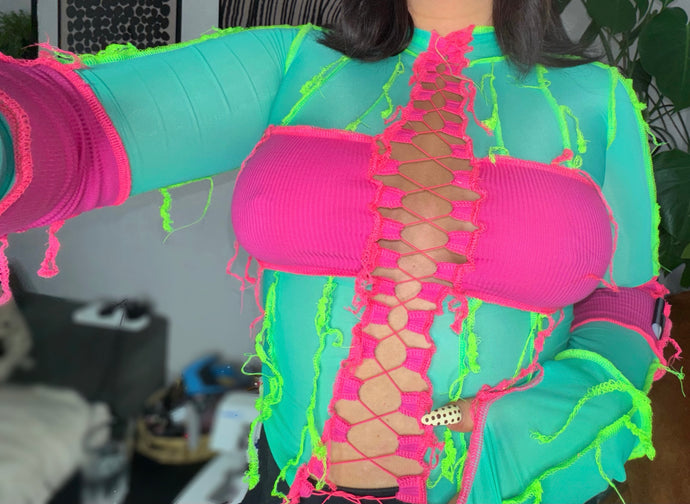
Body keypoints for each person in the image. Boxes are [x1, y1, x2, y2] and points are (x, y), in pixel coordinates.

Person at [0, 0, 680, 503]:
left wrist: (528, 423)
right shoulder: (295, 64)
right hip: (292, 481)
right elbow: (81, 131)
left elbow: (625, 304)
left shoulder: (600, 102)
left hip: (510, 485)